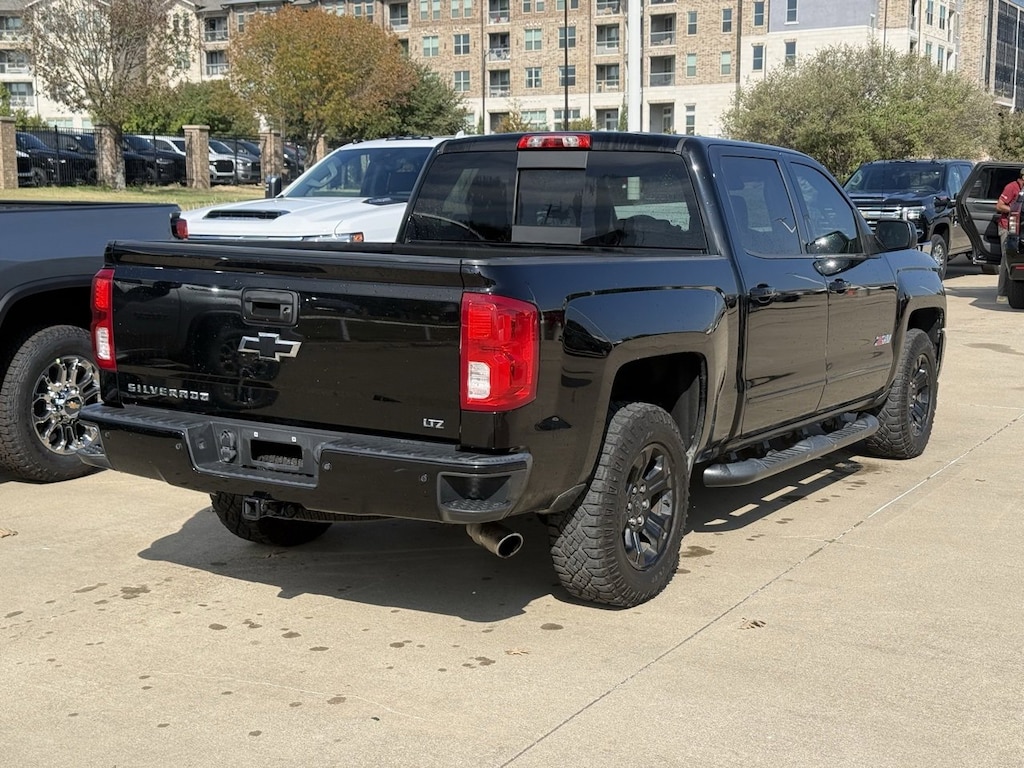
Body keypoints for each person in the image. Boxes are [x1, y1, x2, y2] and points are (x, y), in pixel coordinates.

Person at [994, 168, 1024, 304]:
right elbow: (999, 206)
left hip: (1016, 229)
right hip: (1007, 227)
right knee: (1007, 259)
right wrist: (1015, 210)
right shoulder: (1012, 187)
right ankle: (1002, 294)